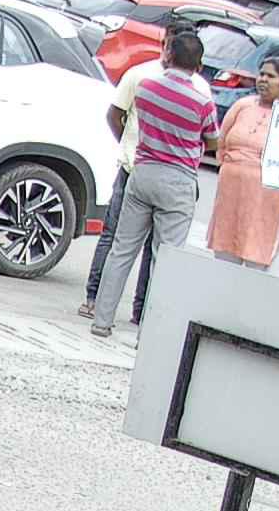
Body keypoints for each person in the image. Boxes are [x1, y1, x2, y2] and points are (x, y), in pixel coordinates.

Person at [91, 27, 222, 340]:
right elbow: (213, 142)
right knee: (166, 259)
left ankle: (102, 320)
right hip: (179, 179)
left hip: (143, 170)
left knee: (122, 249)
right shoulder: (202, 101)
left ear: (168, 56)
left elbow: (124, 118)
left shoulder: (146, 87)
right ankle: (150, 332)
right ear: (199, 65)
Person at [82, 51, 166, 325]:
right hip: (131, 168)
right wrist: (128, 147)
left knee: (155, 247)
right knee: (115, 237)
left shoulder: (196, 86)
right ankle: (94, 299)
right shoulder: (141, 75)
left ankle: (141, 312)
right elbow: (115, 114)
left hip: (163, 175)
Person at [208, 56, 279, 268]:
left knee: (256, 253)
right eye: (261, 74)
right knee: (224, 257)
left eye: (270, 76)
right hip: (231, 191)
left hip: (265, 198)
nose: (263, 79)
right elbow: (221, 143)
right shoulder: (242, 105)